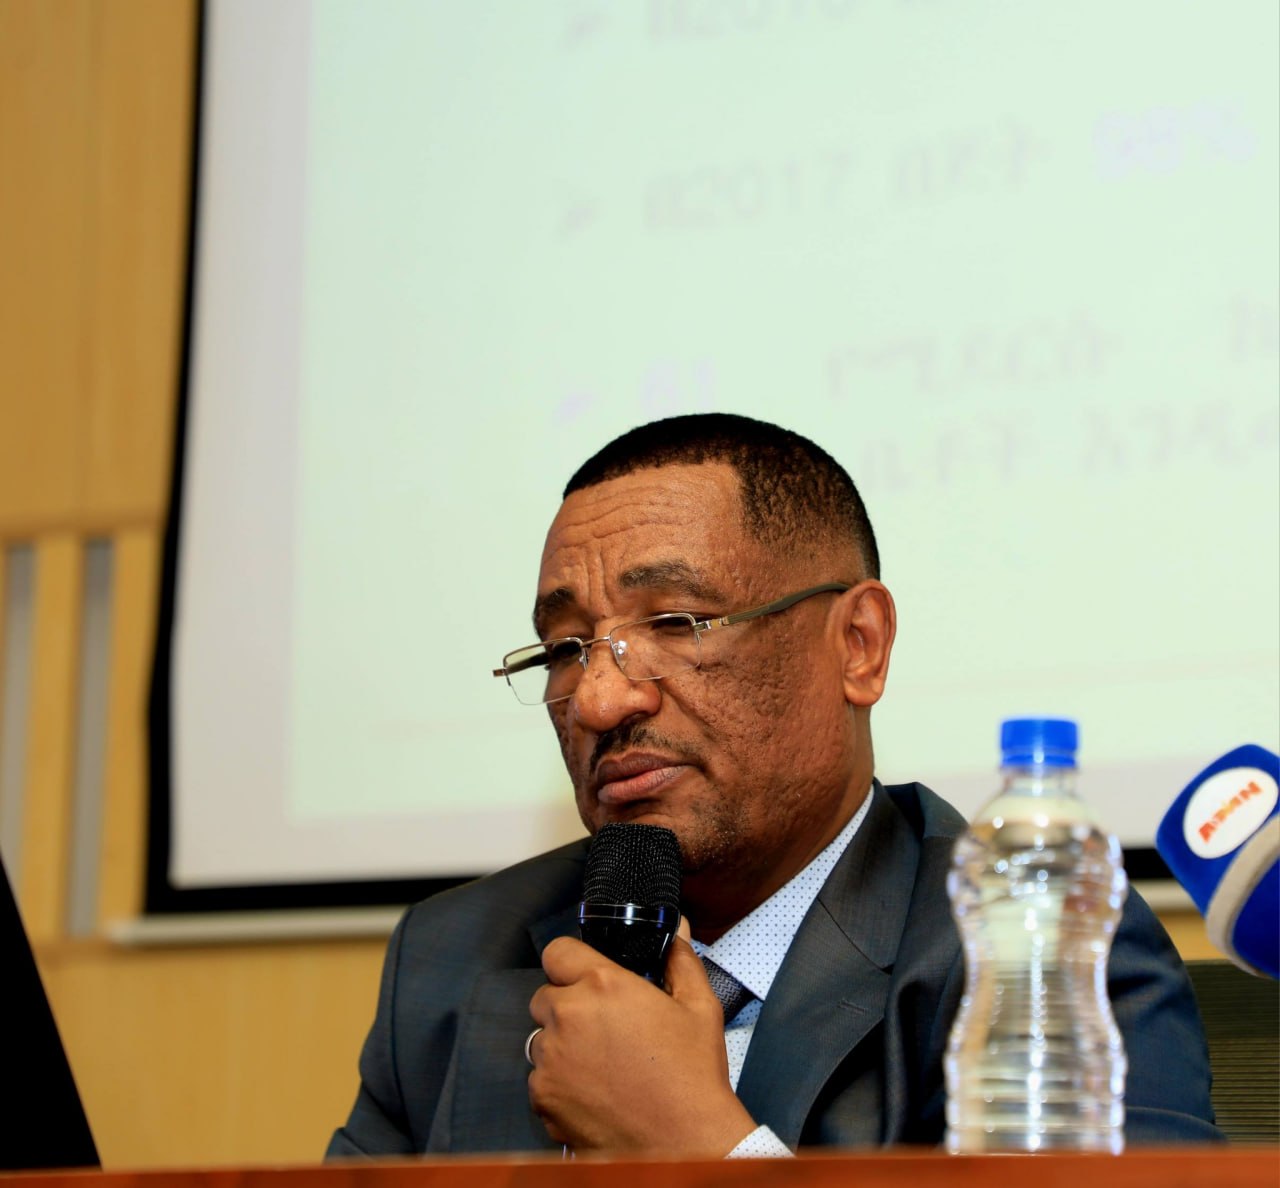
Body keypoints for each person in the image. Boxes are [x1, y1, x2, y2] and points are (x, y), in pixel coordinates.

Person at [328, 413, 1219, 1158]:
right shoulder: (451, 961)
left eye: (676, 621)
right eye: (566, 649)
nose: (598, 700)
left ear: (858, 646)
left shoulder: (1025, 945)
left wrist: (707, 1151)